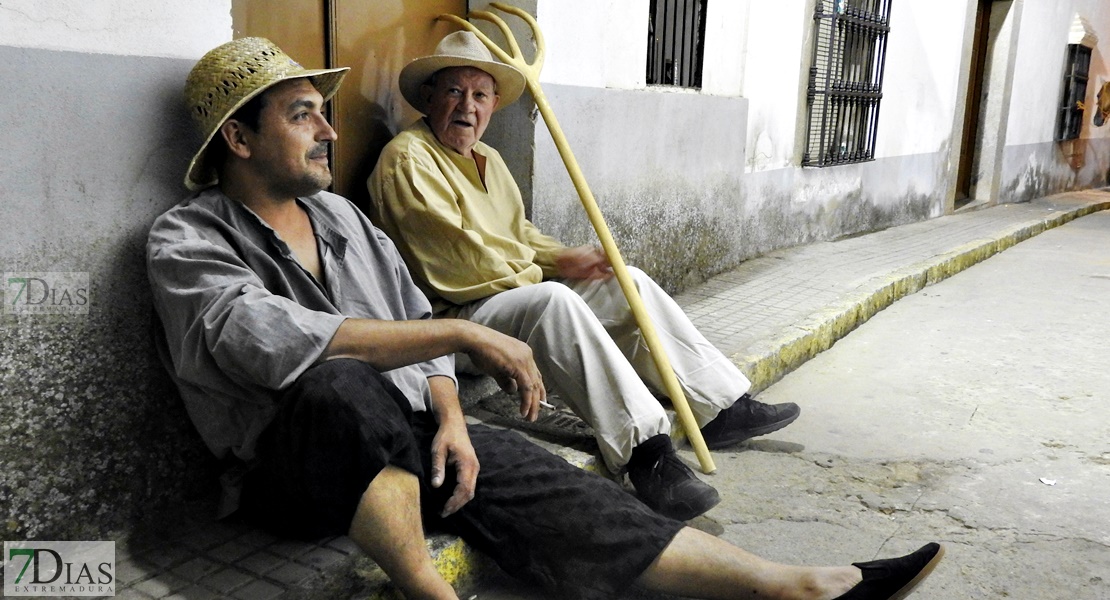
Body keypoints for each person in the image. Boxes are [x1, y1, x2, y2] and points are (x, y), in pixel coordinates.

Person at [147, 37, 944, 600]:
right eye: (301, 116)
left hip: (406, 439)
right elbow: (270, 341)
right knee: (341, 386)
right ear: (238, 137)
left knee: (554, 489)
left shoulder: (344, 223)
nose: (328, 131)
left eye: (324, 113)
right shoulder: (187, 237)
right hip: (287, 476)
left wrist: (452, 415)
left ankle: (792, 585)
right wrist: (464, 332)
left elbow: (414, 321)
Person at [368, 31, 799, 521]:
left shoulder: (489, 159)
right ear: (428, 98)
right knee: (553, 300)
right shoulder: (407, 157)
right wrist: (546, 273)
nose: (467, 106)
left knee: (625, 282)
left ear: (493, 107)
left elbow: (520, 235)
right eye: (453, 91)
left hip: (509, 293)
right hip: (455, 321)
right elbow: (455, 263)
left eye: (480, 94)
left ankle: (721, 407)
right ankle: (647, 455)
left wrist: (564, 258)